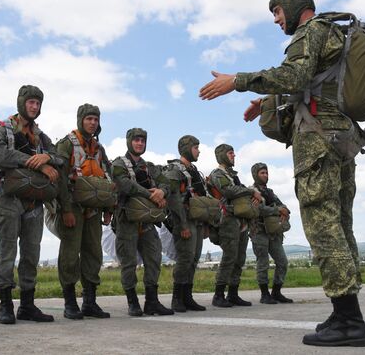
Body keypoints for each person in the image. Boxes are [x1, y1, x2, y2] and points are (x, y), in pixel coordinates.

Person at [199, 0, 365, 347]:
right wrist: (266, 104)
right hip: (342, 138)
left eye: (277, 12)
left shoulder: (309, 32)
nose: (276, 20)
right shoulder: (333, 33)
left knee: (323, 228)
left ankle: (350, 321)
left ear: (294, 6)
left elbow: (294, 75)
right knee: (340, 225)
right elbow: (317, 83)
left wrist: (238, 81)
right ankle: (344, 313)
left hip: (318, 141)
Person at [0, 85, 64, 324]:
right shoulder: (3, 130)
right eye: (30, 102)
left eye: (38, 103)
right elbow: (2, 156)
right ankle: (5, 305)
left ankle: (27, 306)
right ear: (21, 103)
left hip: (34, 202)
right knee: (7, 252)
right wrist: (38, 163)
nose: (34, 107)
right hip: (8, 199)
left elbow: (60, 158)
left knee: (31, 254)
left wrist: (49, 157)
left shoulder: (41, 137)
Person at [56, 103, 112, 319]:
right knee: (70, 254)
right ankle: (70, 302)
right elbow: (60, 179)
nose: (92, 123)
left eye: (96, 119)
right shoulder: (67, 144)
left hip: (94, 210)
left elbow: (107, 179)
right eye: (89, 118)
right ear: (81, 120)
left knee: (93, 254)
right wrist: (65, 209)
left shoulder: (99, 149)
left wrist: (108, 208)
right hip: (73, 207)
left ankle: (90, 302)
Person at [111, 128, 174, 316]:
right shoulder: (119, 164)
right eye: (136, 140)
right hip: (126, 220)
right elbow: (125, 185)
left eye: (142, 141)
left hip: (147, 222)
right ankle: (133, 302)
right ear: (129, 141)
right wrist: (151, 195)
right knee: (128, 263)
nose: (139, 143)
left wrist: (162, 192)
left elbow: (166, 183)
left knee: (154, 259)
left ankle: (152, 302)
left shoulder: (150, 167)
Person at [207, 144, 259, 308]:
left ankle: (233, 294)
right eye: (230, 153)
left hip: (240, 221)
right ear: (221, 155)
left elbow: (237, 191)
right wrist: (251, 191)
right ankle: (218, 295)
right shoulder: (217, 174)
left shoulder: (233, 176)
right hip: (227, 220)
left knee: (239, 259)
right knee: (229, 257)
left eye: (234, 153)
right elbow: (228, 191)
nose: (234, 155)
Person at [163, 135, 207, 312]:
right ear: (186, 148)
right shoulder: (175, 170)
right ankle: (177, 298)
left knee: (194, 259)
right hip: (184, 221)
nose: (198, 151)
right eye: (196, 147)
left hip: (196, 221)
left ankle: (187, 297)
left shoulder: (194, 170)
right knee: (185, 259)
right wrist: (182, 225)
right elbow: (174, 200)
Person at [249, 162, 292, 304]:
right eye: (262, 173)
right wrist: (277, 210)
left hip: (273, 233)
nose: (265, 175)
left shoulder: (270, 192)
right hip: (259, 231)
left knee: (283, 262)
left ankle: (276, 292)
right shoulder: (252, 191)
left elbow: (283, 206)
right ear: (256, 174)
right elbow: (259, 209)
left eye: (266, 173)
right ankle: (264, 294)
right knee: (263, 263)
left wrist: (284, 209)